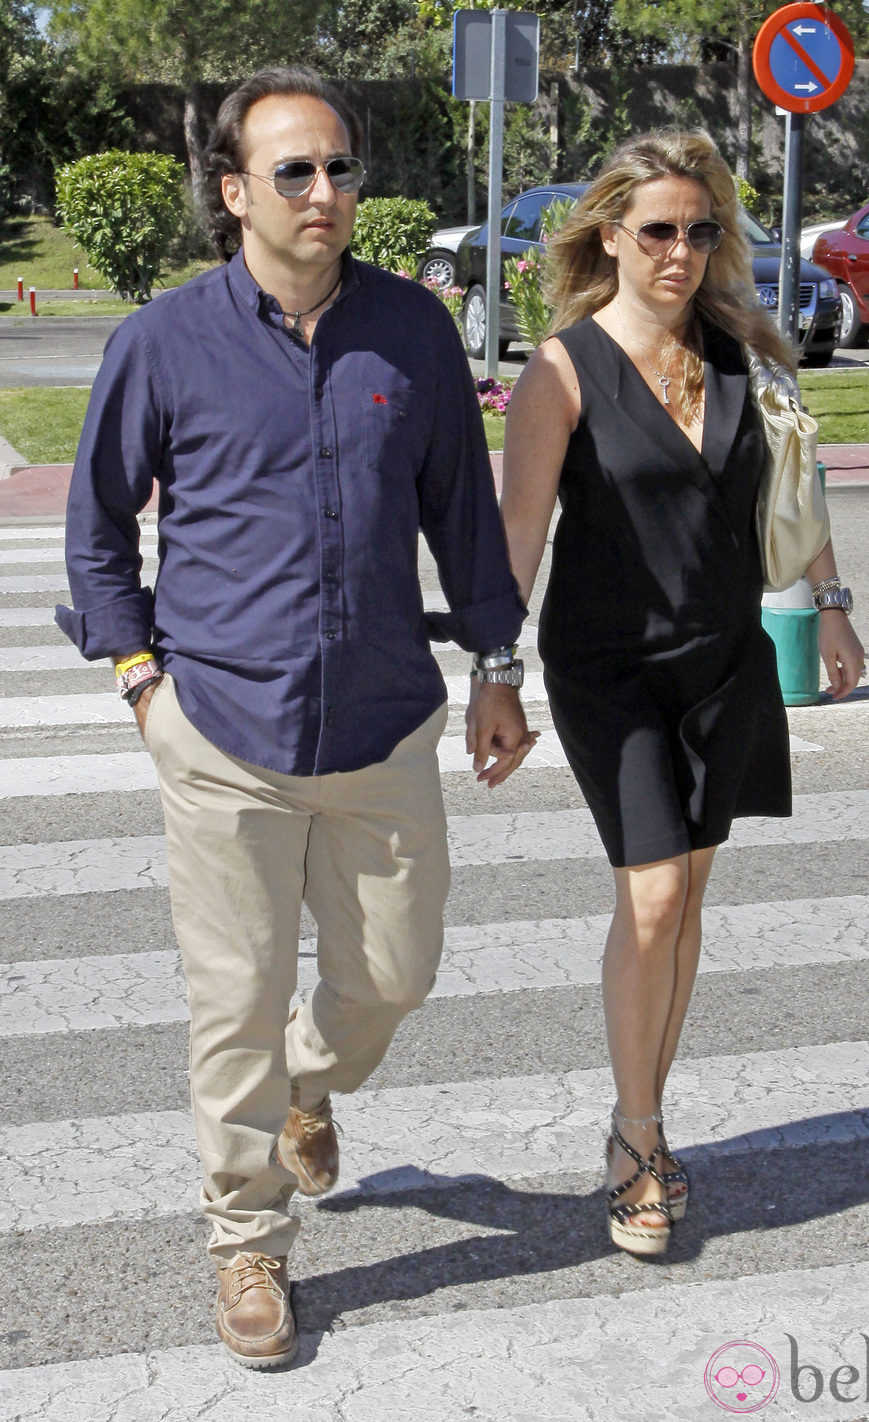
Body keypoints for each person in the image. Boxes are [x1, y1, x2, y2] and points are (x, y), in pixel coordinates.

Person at [55, 66, 534, 1367]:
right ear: (233, 193)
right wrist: (140, 686)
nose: (329, 193)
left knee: (393, 975)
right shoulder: (162, 343)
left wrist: (498, 663)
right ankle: (248, 1241)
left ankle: (311, 1085)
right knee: (234, 1003)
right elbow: (98, 537)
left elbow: (464, 516)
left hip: (382, 719)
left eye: (343, 169)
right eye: (297, 172)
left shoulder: (413, 332)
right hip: (220, 732)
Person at [499, 131, 864, 1257]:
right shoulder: (560, 369)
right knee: (650, 901)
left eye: (699, 231)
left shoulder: (743, 348)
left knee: (687, 902)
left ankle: (641, 1125)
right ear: (608, 233)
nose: (679, 251)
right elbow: (517, 543)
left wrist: (831, 597)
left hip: (723, 659)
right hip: (610, 670)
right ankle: (636, 1132)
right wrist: (492, 675)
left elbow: (791, 490)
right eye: (657, 229)